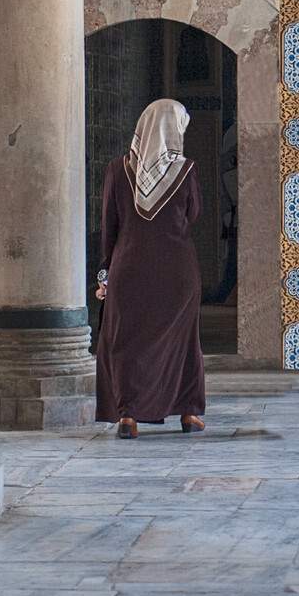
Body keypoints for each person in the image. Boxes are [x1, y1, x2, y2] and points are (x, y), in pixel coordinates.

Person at [94, 98, 207, 439]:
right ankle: (188, 412)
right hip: (178, 272)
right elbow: (194, 214)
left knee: (125, 341)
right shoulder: (186, 170)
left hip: (129, 268)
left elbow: (109, 229)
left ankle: (128, 416)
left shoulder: (117, 170)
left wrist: (104, 275)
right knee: (183, 343)